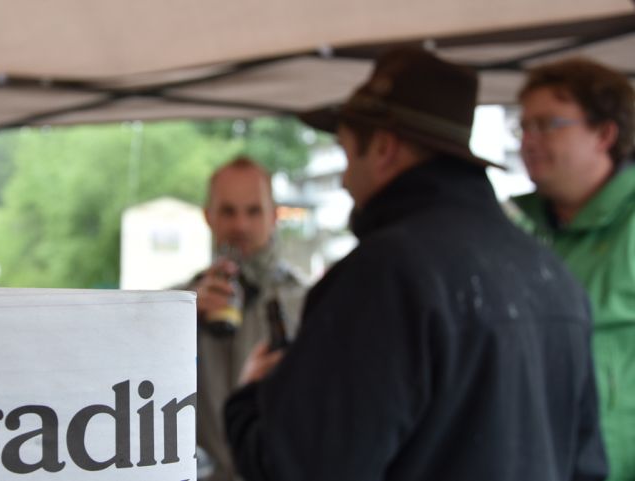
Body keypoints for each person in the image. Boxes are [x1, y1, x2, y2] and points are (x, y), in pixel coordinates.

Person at [224, 48, 607, 481]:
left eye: (350, 156)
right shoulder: (553, 275)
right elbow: (587, 466)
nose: (347, 180)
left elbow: (299, 468)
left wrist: (254, 396)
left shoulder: (384, 276)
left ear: (385, 148)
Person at [511, 58, 635, 481]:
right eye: (524, 127)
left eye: (548, 124)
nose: (529, 140)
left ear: (605, 133)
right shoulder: (514, 228)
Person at [184, 157, 307, 481]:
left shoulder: (308, 303)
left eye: (253, 211)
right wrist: (183, 319)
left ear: (274, 216)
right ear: (208, 216)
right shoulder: (176, 304)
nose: (241, 225)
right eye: (228, 211)